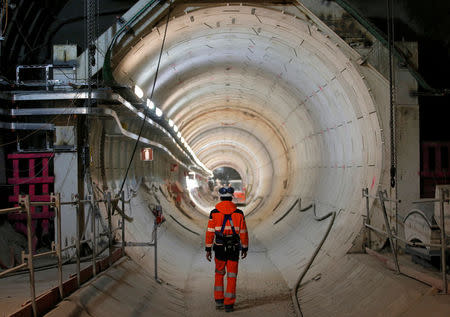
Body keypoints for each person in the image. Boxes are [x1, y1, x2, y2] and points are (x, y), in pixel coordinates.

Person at [205, 186, 249, 312]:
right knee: (232, 275)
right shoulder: (239, 213)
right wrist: (244, 248)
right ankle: (229, 304)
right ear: (232, 198)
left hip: (219, 248)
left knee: (219, 273)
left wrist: (208, 249)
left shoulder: (214, 213)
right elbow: (243, 232)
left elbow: (210, 233)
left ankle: (219, 300)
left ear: (220, 198)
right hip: (234, 249)